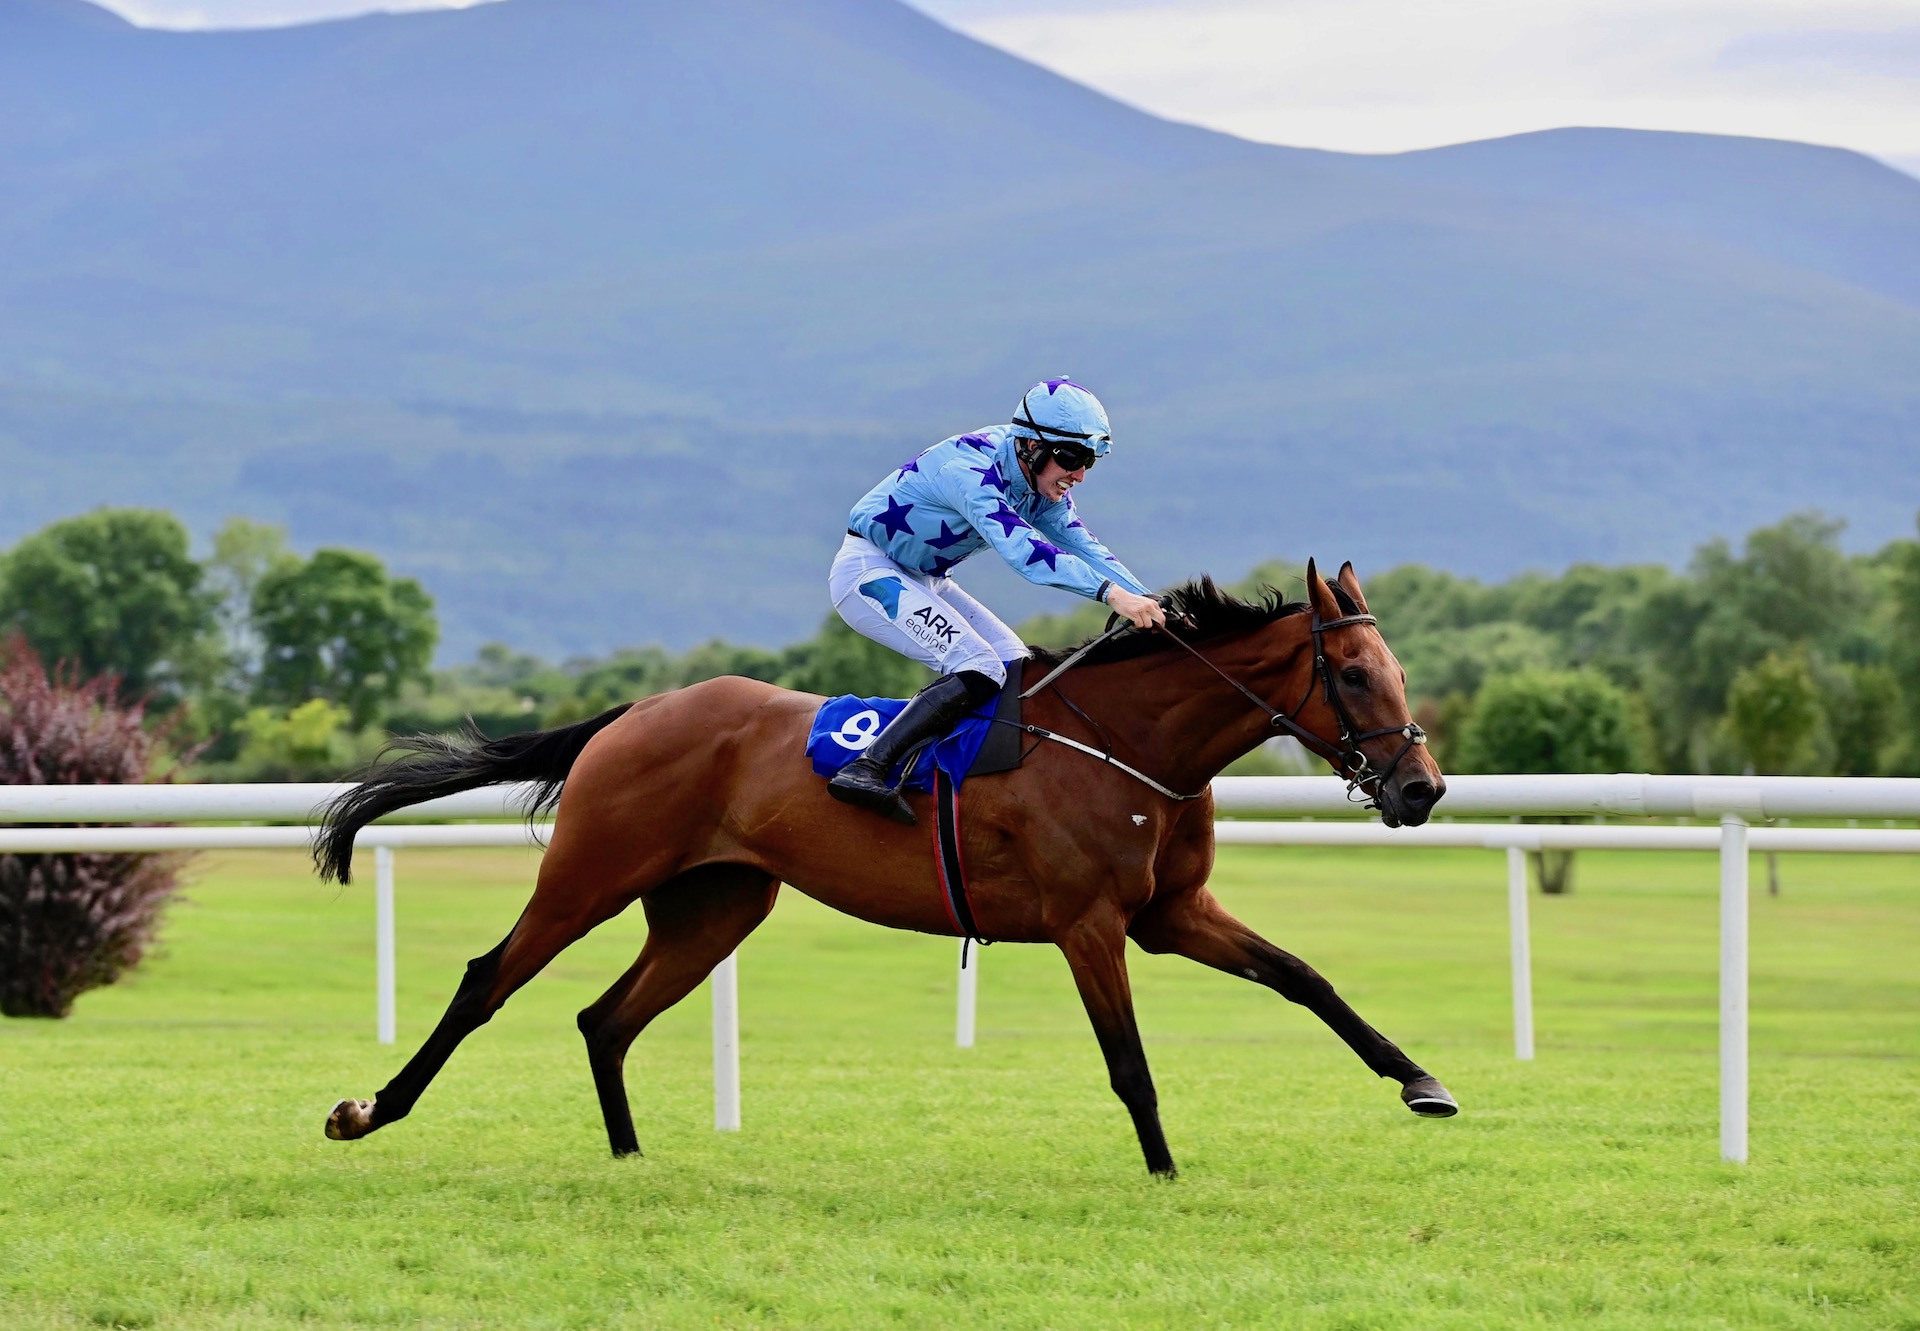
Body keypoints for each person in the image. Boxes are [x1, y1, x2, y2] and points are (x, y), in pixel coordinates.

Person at [827, 377, 1165, 823]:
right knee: (978, 666)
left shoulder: (1035, 479)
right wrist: (1112, 596)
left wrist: (1147, 598)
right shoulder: (969, 471)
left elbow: (1081, 543)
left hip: (928, 578)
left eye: (1090, 461)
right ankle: (868, 767)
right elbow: (1027, 554)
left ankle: (985, 787)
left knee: (1017, 668)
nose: (1079, 474)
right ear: (1029, 446)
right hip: (871, 572)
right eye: (1071, 458)